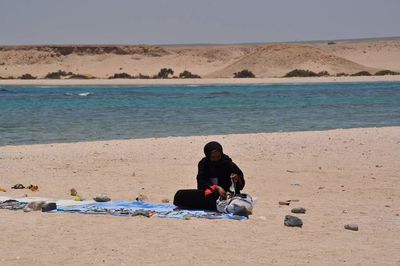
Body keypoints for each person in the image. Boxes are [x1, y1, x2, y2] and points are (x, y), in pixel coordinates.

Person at [173, 141, 245, 211]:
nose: (216, 159)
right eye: (213, 157)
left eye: (218, 156)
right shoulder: (204, 164)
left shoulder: (228, 164)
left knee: (216, 197)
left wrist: (237, 179)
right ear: (208, 156)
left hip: (226, 194)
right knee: (180, 195)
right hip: (210, 192)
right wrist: (216, 187)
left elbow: (240, 185)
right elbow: (201, 181)